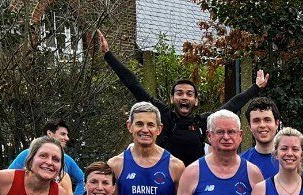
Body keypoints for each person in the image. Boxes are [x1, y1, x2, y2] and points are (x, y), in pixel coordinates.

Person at [98, 29, 268, 164]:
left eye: (189, 94)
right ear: (172, 99)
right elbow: (134, 85)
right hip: (165, 180)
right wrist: (108, 55)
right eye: (179, 93)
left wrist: (256, 88)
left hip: (193, 182)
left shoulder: (203, 122)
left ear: (196, 100)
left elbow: (232, 105)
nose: (184, 97)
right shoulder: (164, 116)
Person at [8, 119, 85, 195]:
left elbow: (82, 179)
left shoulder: (67, 160)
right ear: (49, 133)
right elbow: (9, 177)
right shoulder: (26, 154)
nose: (67, 138)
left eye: (56, 160)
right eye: (63, 134)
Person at [241, 97, 282, 179]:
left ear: (277, 124)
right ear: (250, 126)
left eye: (267, 120)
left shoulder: (289, 160)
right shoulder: (241, 163)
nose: (262, 125)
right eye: (256, 121)